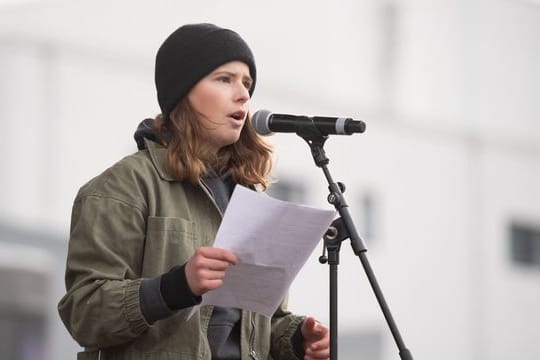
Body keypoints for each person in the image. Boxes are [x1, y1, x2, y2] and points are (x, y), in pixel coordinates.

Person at [58, 23, 330, 360]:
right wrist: (176, 286)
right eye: (224, 79)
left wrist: (296, 339)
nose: (243, 94)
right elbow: (84, 314)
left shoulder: (247, 197)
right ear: (182, 92)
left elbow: (253, 322)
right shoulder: (121, 188)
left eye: (247, 83)